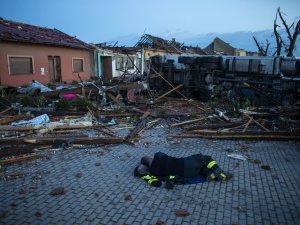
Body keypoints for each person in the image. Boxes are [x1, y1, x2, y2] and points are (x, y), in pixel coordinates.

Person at [134, 152, 232, 189]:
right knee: (205, 158)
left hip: (186, 174)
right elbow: (159, 154)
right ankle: (218, 171)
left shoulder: (154, 172)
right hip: (185, 163)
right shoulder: (158, 156)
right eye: (149, 157)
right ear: (149, 159)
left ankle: (213, 175)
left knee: (202, 167)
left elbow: (143, 173)